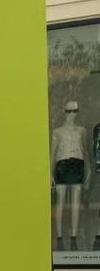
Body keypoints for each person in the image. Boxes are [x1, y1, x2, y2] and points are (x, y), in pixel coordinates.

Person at [51, 100, 92, 251]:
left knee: (75, 204)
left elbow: (85, 151)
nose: (72, 114)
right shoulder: (57, 131)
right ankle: (59, 238)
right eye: (69, 111)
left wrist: (88, 171)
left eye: (75, 111)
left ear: (78, 112)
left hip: (77, 165)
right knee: (60, 202)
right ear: (64, 112)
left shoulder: (82, 130)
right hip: (62, 165)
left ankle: (73, 239)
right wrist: (50, 173)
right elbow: (53, 153)